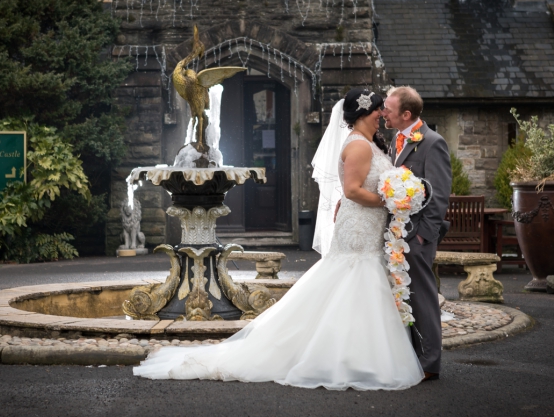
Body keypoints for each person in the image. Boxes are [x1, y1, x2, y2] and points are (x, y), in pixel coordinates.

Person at [133, 88, 424, 391]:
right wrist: (391, 201)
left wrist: (392, 196)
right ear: (365, 112)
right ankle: (348, 359)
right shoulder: (360, 147)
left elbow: (356, 189)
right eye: (379, 110)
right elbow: (351, 190)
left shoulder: (369, 144)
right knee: (353, 280)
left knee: (353, 285)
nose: (382, 116)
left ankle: (355, 355)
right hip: (359, 230)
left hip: (365, 226)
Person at [381, 86, 452, 381]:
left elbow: (439, 194)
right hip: (397, 235)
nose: (382, 112)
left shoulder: (433, 143)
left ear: (406, 114)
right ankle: (412, 356)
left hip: (417, 236)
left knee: (422, 297)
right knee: (405, 296)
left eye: (388, 109)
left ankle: (430, 363)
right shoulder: (395, 142)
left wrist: (423, 235)